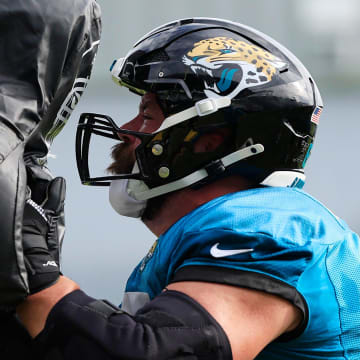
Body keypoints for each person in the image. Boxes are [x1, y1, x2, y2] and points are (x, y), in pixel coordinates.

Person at [14, 18, 360, 359]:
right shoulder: (207, 235)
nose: (125, 130)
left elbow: (161, 353)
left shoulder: (270, 229)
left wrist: (38, 281)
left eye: (147, 116)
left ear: (205, 142)